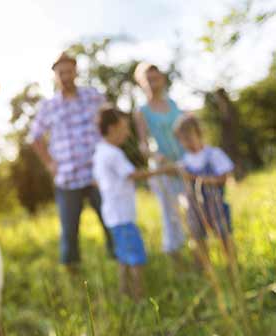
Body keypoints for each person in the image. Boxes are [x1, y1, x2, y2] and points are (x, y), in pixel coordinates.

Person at [28, 52, 113, 272]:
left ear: (76, 71)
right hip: (67, 177)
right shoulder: (49, 106)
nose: (65, 76)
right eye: (61, 72)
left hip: (97, 175)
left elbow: (111, 121)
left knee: (111, 221)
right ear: (55, 75)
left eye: (69, 71)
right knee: (69, 230)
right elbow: (35, 138)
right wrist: (49, 164)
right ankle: (73, 274)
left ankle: (120, 263)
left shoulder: (93, 96)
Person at [93, 105, 174, 299]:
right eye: (125, 128)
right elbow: (132, 175)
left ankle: (124, 294)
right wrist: (162, 171)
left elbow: (96, 181)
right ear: (112, 128)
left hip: (112, 215)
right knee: (136, 259)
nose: (128, 133)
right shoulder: (113, 153)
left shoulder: (99, 152)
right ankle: (140, 298)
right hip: (123, 215)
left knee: (123, 258)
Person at [133, 62, 186, 260]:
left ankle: (199, 254)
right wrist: (157, 158)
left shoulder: (173, 104)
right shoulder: (142, 111)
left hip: (182, 162)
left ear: (162, 79)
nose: (154, 83)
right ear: (141, 83)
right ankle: (177, 260)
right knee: (171, 215)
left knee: (192, 209)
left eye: (156, 78)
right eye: (149, 80)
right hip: (162, 169)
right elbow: (143, 144)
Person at [173, 114, 235, 265]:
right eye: (182, 139)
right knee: (197, 237)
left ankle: (232, 265)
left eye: (188, 137)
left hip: (215, 205)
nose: (186, 142)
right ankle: (205, 269)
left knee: (223, 235)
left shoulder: (213, 154)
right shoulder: (184, 161)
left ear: (198, 133)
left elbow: (223, 179)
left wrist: (196, 178)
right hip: (194, 208)